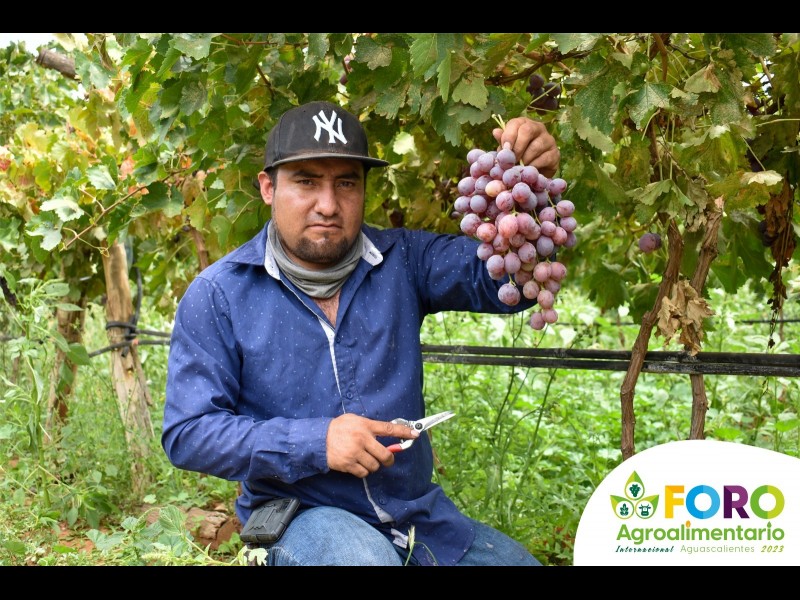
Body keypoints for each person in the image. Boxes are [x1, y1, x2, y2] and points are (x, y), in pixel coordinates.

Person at [162, 100, 560, 566]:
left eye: (346, 183)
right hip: (302, 519)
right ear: (269, 188)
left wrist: (532, 188)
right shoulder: (220, 294)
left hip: (417, 520)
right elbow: (189, 433)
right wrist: (317, 442)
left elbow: (511, 283)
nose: (328, 205)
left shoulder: (404, 260)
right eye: (306, 181)